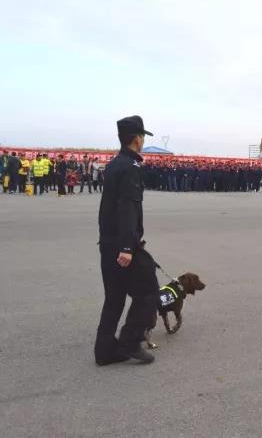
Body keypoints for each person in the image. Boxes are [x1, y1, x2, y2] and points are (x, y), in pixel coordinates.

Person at [95, 115, 159, 366]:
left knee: (114, 298)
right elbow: (127, 209)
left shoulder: (114, 164)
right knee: (149, 291)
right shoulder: (130, 168)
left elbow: (107, 209)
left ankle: (104, 351)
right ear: (136, 139)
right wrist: (127, 247)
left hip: (107, 242)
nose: (143, 140)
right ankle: (130, 342)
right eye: (142, 136)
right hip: (122, 245)